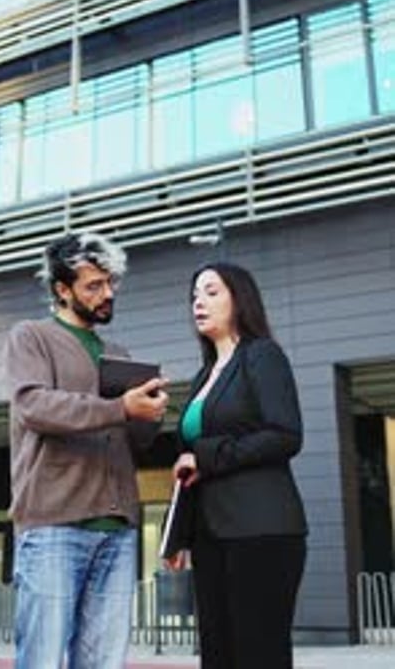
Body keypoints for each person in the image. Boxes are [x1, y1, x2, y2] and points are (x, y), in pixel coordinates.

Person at [5, 231, 168, 669]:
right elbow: (33, 406)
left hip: (119, 530)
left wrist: (148, 415)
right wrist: (119, 407)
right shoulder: (31, 336)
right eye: (93, 285)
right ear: (62, 290)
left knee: (104, 664)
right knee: (41, 659)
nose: (107, 293)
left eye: (110, 282)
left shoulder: (118, 352)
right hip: (53, 525)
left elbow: (134, 439)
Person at [165, 262, 307, 669]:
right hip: (212, 536)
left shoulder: (262, 356)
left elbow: (285, 435)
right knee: (217, 655)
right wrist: (179, 534)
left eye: (211, 291)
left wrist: (205, 455)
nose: (198, 302)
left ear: (239, 298)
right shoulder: (203, 376)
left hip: (262, 529)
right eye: (194, 295)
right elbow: (194, 467)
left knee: (257, 655)